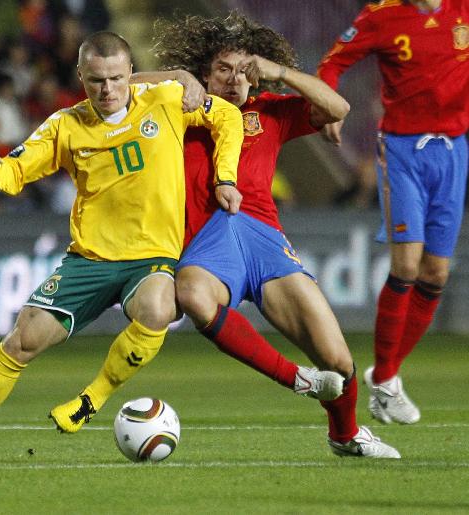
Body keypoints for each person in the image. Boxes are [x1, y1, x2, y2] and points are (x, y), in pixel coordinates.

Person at [0, 31, 243, 465]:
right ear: (80, 77)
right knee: (23, 339)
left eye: (115, 78)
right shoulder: (65, 126)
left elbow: (227, 117)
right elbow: (17, 170)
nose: (107, 89)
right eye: (96, 81)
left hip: (150, 257)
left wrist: (225, 177)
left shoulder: (166, 100)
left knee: (158, 307)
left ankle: (92, 398)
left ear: (131, 72)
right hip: (89, 259)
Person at [134, 11, 400, 458]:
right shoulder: (176, 112)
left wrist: (279, 73)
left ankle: (345, 434)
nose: (235, 80)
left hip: (263, 238)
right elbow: (118, 85)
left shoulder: (269, 112)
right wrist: (176, 77)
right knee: (195, 296)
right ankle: (293, 377)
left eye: (244, 70)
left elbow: (338, 108)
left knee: (338, 360)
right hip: (209, 241)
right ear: (204, 74)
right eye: (223, 70)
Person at [317, 0, 469, 425]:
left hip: (454, 151)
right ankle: (385, 382)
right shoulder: (381, 16)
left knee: (436, 272)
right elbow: (332, 63)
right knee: (406, 265)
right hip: (404, 151)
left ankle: (384, 378)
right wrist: (328, 103)